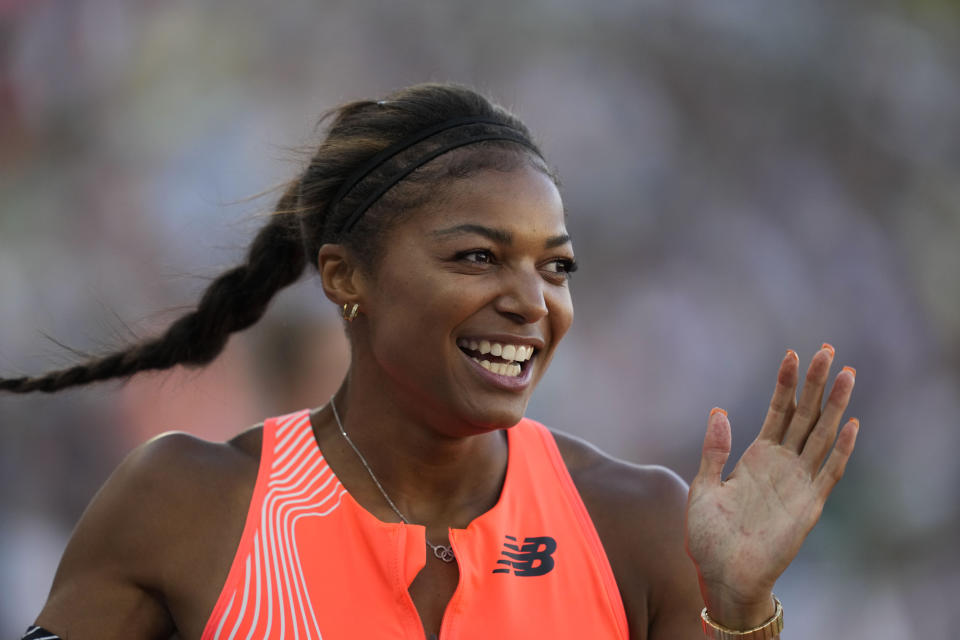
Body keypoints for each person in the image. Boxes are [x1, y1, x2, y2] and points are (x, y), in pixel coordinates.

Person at [5, 83, 858, 639]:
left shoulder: (635, 523)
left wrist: (740, 609)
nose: (534, 300)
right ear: (347, 277)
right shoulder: (188, 506)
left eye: (555, 265)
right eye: (479, 258)